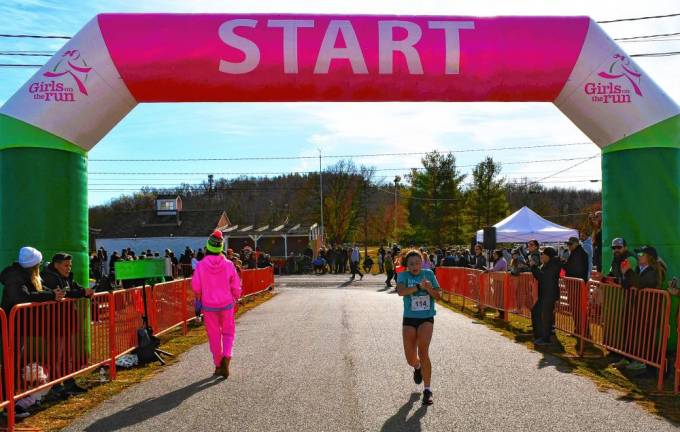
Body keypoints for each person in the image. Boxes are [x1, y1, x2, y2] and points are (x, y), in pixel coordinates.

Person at [0, 247, 66, 418]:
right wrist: (50, 296)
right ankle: (8, 406)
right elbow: (22, 297)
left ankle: (11, 403)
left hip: (15, 327)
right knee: (8, 365)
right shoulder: (15, 277)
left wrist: (52, 294)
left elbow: (37, 290)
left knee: (11, 365)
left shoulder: (23, 275)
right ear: (34, 264)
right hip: (9, 327)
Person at [41, 253, 95, 398]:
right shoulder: (49, 277)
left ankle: (69, 382)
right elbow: (65, 293)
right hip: (55, 322)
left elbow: (74, 287)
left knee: (67, 354)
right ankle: (56, 385)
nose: (68, 268)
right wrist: (82, 292)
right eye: (66, 265)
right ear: (56, 264)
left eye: (70, 265)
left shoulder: (66, 276)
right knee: (56, 355)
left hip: (67, 319)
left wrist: (85, 291)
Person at [191, 231, 241, 378]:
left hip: (208, 305)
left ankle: (218, 364)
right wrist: (236, 297)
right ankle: (227, 356)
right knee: (228, 332)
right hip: (226, 304)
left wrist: (200, 295)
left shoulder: (201, 266)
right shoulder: (229, 264)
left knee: (214, 335)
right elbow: (235, 284)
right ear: (220, 248)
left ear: (208, 247)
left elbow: (196, 287)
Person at [396, 250, 441, 406]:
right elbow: (401, 292)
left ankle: (427, 390)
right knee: (410, 358)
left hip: (426, 318)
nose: (414, 266)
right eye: (411, 264)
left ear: (422, 262)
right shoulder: (403, 276)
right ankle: (417, 366)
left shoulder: (428, 274)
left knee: (423, 351)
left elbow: (439, 296)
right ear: (406, 265)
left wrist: (428, 288)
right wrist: (418, 287)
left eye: (417, 263)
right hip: (409, 319)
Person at [530, 247, 561, 345]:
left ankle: (545, 338)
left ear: (549, 255)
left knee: (545, 316)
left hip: (549, 294)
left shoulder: (553, 265)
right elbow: (540, 277)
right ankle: (539, 336)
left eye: (543, 254)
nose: (541, 256)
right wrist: (534, 268)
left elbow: (543, 277)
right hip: (544, 294)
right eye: (541, 254)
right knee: (537, 312)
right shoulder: (547, 265)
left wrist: (534, 268)